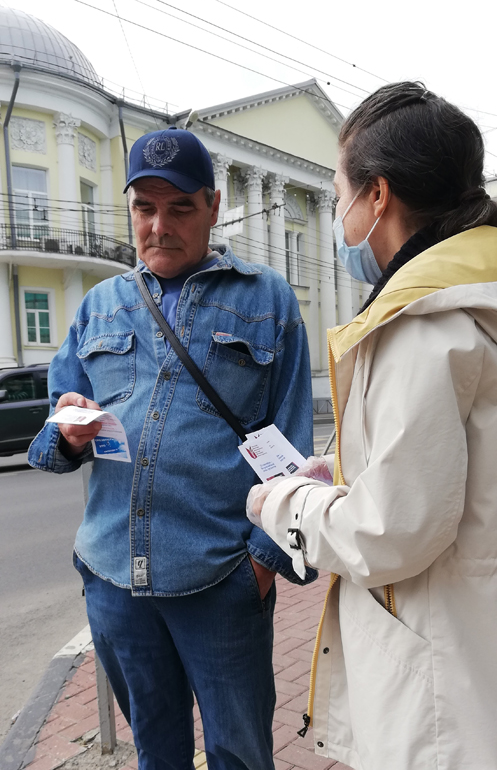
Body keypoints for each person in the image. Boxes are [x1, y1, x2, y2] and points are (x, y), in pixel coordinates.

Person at [28, 127, 316, 770]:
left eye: (180, 207)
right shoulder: (99, 306)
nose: (159, 226)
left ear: (213, 207)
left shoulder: (267, 299)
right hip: (114, 577)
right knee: (156, 753)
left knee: (240, 752)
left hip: (222, 580)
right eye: (145, 208)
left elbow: (295, 445)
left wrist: (262, 565)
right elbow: (49, 441)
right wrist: (66, 435)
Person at [247, 82, 497, 770]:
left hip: (446, 696)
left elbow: (390, 531)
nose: (337, 215)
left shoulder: (424, 327)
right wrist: (348, 473)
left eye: (337, 195)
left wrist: (284, 503)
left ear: (376, 196)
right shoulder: (477, 301)